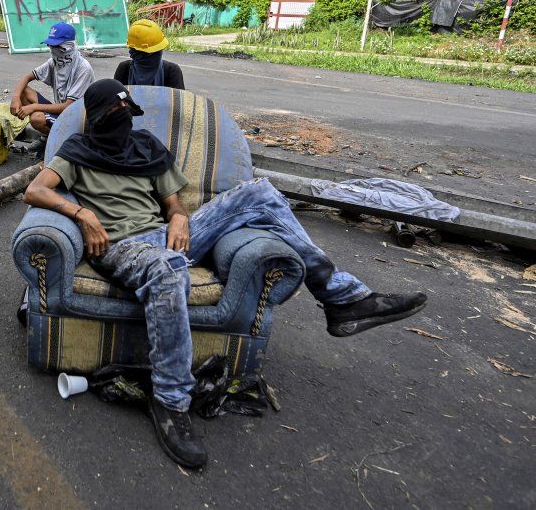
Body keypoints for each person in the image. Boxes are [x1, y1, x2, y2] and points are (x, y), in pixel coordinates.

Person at [22, 79, 427, 470]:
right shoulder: (76, 152)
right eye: (114, 112)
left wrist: (180, 218)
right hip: (121, 247)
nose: (122, 118)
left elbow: (174, 205)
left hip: (170, 235)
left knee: (261, 193)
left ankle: (341, 297)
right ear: (95, 118)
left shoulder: (147, 147)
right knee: (166, 270)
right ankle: (170, 400)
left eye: (128, 111)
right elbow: (35, 191)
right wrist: (82, 213)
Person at [10, 22, 95, 135]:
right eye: (50, 45)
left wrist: (33, 107)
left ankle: (58, 142)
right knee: (23, 91)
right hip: (61, 112)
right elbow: (27, 77)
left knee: (37, 118)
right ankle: (49, 136)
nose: (51, 49)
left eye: (55, 46)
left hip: (78, 119)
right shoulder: (54, 62)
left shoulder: (83, 68)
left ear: (68, 46)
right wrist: (15, 98)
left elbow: (68, 106)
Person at [114, 19, 185, 89]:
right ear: (133, 53)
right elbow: (114, 98)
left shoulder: (172, 71)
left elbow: (179, 99)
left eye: (158, 51)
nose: (158, 54)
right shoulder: (124, 69)